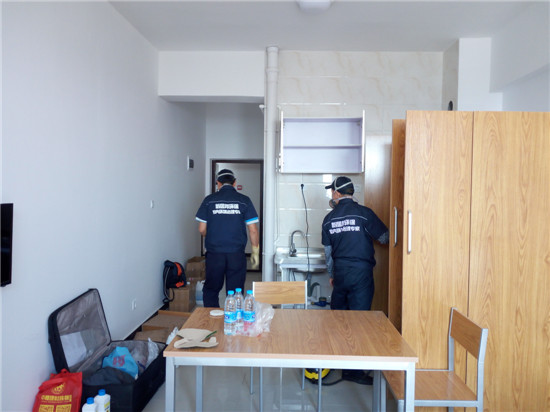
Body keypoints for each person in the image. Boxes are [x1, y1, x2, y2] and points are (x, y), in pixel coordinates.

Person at [322, 176, 389, 385]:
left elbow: (328, 253)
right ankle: (353, 371)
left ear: (337, 193)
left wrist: (332, 275)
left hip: (341, 273)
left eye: (332, 191)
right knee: (359, 321)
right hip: (361, 273)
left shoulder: (329, 219)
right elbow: (385, 238)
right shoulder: (364, 214)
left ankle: (339, 360)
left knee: (339, 319)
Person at [196, 169, 260, 308]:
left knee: (211, 290)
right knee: (236, 291)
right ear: (234, 183)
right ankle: (234, 318)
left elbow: (201, 229)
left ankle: (211, 318)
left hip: (214, 254)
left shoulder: (209, 200)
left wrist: (212, 235)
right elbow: (253, 230)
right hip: (236, 254)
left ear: (218, 183)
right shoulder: (244, 201)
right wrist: (255, 252)